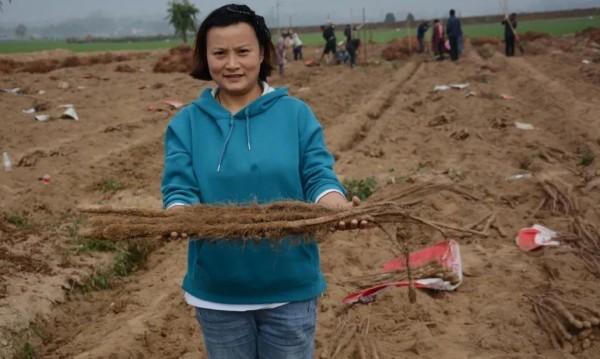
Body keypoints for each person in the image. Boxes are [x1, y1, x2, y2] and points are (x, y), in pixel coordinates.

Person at [161, 4, 367, 358]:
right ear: (204, 57)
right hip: (218, 290)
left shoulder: (295, 115)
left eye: (243, 51)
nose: (232, 64)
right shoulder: (187, 124)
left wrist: (336, 207)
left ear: (263, 53)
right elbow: (179, 187)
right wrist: (180, 215)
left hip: (290, 286)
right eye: (219, 53)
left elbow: (318, 175)